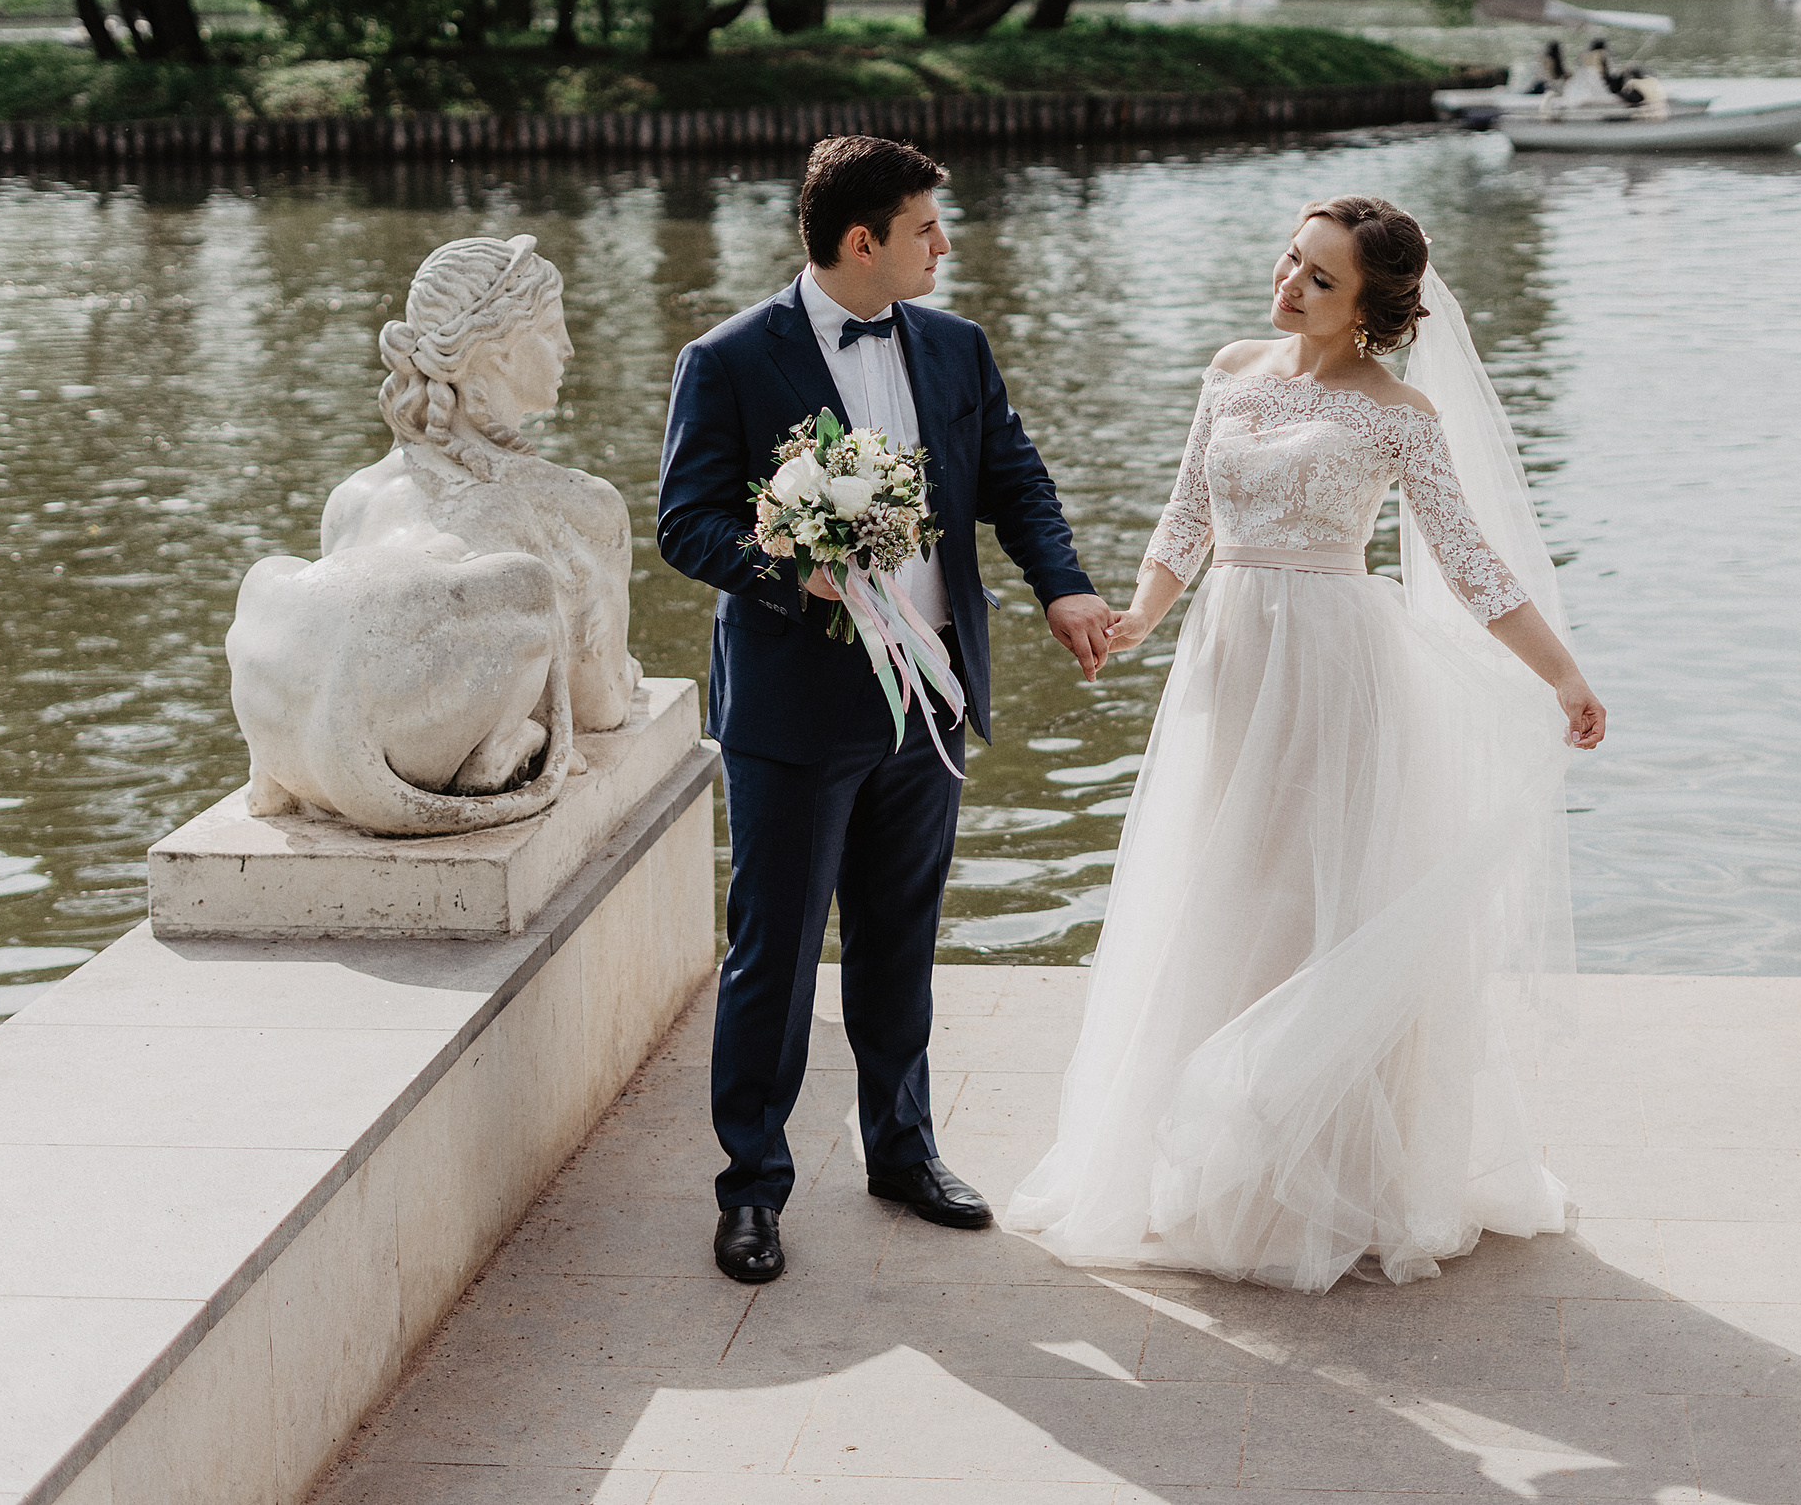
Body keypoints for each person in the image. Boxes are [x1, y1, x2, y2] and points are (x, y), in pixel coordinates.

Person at [1008, 196, 1607, 1292]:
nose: (1288, 284)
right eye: (1292, 258)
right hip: (1227, 662)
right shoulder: (1232, 369)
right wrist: (1139, 619)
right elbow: (1186, 518)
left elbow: (1470, 564)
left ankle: (1328, 1170)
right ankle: (1200, 1156)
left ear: (1370, 309)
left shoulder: (1397, 415)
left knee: (1320, 899)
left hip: (1335, 675)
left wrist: (1562, 674)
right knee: (1219, 889)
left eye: (1320, 278)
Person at [656, 135, 1114, 1284]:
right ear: (863, 242)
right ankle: (751, 1189)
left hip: (933, 695)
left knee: (901, 939)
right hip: (794, 707)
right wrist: (788, 565)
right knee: (774, 952)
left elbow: (1013, 479)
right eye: (924, 230)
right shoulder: (727, 359)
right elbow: (684, 522)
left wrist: (1063, 586)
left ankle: (902, 1151)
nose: (941, 248)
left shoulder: (955, 347)